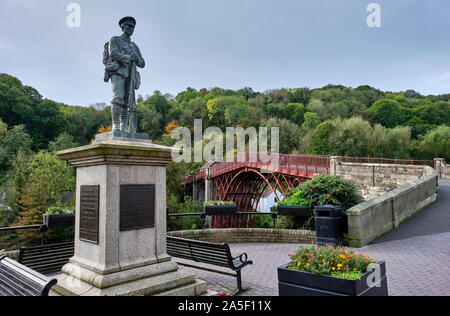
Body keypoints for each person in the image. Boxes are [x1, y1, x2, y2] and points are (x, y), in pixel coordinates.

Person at [105, 16, 145, 133]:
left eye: (133, 27)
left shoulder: (134, 46)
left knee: (128, 100)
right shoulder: (115, 39)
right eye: (128, 26)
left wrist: (136, 59)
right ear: (122, 27)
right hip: (118, 72)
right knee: (118, 97)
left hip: (131, 75)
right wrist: (128, 57)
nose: (131, 28)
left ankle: (124, 125)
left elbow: (142, 63)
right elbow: (113, 54)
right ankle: (115, 124)